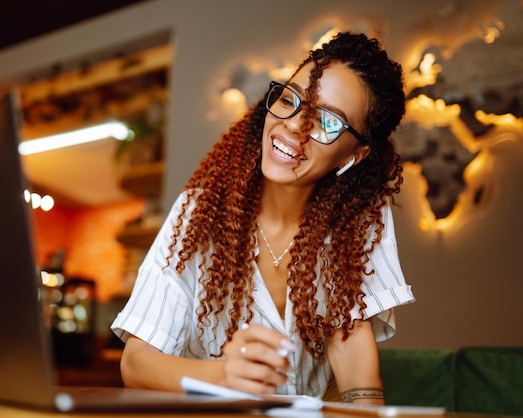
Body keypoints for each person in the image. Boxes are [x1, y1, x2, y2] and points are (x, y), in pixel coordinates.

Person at [111, 32, 415, 404]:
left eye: (327, 122)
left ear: (353, 156)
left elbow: (351, 349)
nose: (294, 126)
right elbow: (137, 364)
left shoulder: (358, 223)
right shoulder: (199, 214)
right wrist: (223, 375)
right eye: (290, 99)